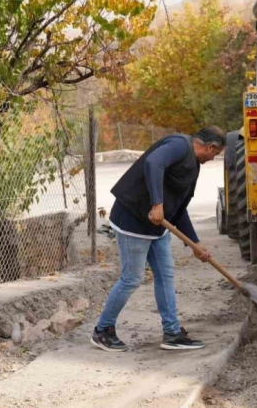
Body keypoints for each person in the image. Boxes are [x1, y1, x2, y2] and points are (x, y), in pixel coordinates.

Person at [91, 126, 226, 352]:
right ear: (210, 147)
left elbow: (178, 207)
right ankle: (102, 330)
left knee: (165, 275)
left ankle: (172, 332)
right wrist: (157, 204)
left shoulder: (192, 165)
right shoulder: (178, 146)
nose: (213, 159)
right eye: (216, 154)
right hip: (133, 220)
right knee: (131, 278)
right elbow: (153, 163)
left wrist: (194, 243)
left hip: (156, 227)